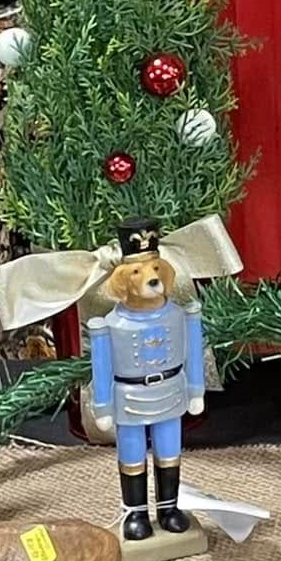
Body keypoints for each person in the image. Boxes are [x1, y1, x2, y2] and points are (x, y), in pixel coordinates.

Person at [87, 222, 206, 541]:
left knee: (169, 452)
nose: (151, 277)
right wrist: (102, 406)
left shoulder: (180, 315)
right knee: (132, 456)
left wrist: (196, 390)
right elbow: (102, 366)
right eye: (138, 272)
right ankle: (136, 513)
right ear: (124, 281)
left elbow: (193, 350)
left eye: (155, 269)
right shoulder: (109, 325)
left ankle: (169, 509)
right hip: (129, 399)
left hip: (169, 393)